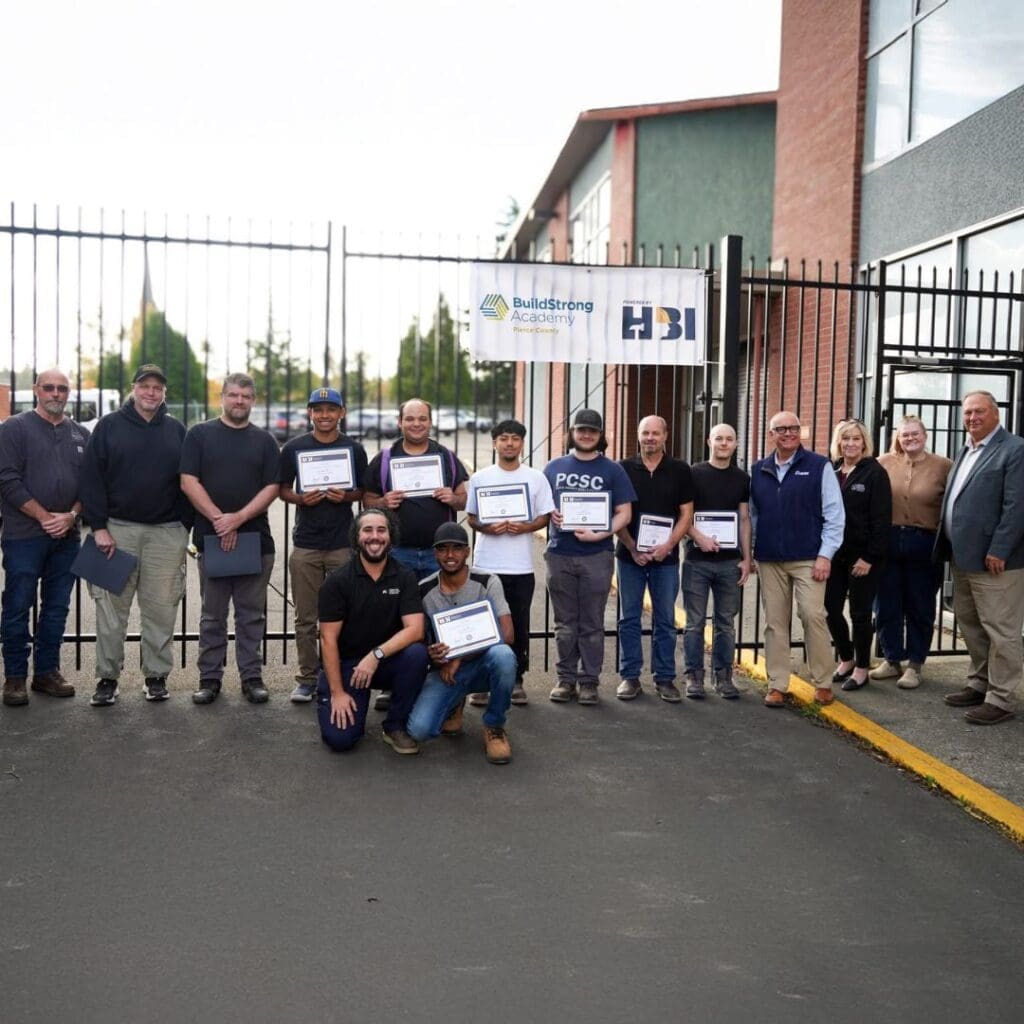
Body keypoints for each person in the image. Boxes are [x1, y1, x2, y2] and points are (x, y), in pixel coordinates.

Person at [79, 364, 191, 707]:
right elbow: (91, 479)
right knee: (110, 609)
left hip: (166, 534)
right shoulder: (108, 427)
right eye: (145, 387)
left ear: (164, 393)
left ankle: (156, 676)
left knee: (161, 608)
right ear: (134, 388)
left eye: (158, 388)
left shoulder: (177, 430)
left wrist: (183, 528)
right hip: (115, 531)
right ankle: (107, 678)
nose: (151, 393)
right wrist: (98, 527)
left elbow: (189, 480)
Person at [180, 373, 280, 705]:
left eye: (246, 396)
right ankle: (209, 678)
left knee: (251, 615)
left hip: (256, 541)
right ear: (222, 397)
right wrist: (219, 520)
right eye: (233, 395)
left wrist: (237, 519)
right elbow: (188, 481)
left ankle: (251, 678)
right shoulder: (199, 435)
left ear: (254, 400)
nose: (239, 401)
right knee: (212, 615)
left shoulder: (265, 441)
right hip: (212, 539)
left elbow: (272, 488)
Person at [362, 397, 467, 711]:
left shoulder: (446, 458)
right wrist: (384, 502)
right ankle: (393, 681)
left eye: (422, 419)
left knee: (441, 618)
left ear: (430, 422)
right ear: (399, 422)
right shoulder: (384, 459)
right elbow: (367, 500)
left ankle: (440, 683)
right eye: (410, 419)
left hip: (440, 556)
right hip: (399, 553)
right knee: (394, 619)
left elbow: (464, 498)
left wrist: (453, 497)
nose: (416, 424)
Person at [0, 369, 87, 707]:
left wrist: (73, 515)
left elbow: (89, 486)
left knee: (56, 608)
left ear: (69, 393)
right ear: (36, 390)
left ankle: (46, 672)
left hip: (66, 537)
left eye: (62, 388)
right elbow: (7, 479)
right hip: (24, 537)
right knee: (18, 605)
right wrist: (45, 517)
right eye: (49, 387)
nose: (56, 393)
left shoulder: (80, 434)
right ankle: (15, 678)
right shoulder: (15, 429)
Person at [936, 391, 1024, 726]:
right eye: (968, 412)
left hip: (996, 561)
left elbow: (1017, 506)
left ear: (996, 414)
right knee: (971, 623)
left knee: (1001, 629)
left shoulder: (1014, 449)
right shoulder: (967, 449)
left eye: (979, 411)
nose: (972, 417)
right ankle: (981, 681)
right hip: (962, 556)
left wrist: (1000, 548)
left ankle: (1001, 698)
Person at [750, 411, 845, 707]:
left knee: (812, 616)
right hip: (770, 559)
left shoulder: (819, 466)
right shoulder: (758, 469)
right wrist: (751, 551)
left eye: (793, 428)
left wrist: (825, 555)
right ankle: (777, 684)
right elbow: (752, 516)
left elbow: (835, 514)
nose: (788, 433)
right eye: (781, 429)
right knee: (775, 623)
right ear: (771, 434)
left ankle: (823, 681)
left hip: (809, 558)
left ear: (800, 432)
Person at [279, 386, 367, 703]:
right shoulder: (294, 448)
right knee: (305, 617)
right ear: (310, 413)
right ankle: (306, 677)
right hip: (306, 543)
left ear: (341, 412)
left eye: (331, 409)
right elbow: (282, 490)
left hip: (344, 542)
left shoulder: (354, 449)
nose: (325, 415)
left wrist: (348, 495)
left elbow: (362, 491)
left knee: (350, 613)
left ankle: (345, 673)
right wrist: (301, 498)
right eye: (319, 409)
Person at [316, 508, 428, 754]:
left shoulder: (404, 576)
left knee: (417, 654)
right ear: (357, 537)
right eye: (367, 530)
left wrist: (375, 655)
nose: (374, 537)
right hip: (347, 665)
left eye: (381, 530)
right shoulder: (337, 581)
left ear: (391, 536)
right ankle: (333, 694)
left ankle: (395, 725)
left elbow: (415, 629)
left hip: (384, 661)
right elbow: (328, 639)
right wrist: (337, 693)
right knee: (340, 740)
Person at [543, 408, 636, 705]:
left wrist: (601, 533)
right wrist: (551, 514)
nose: (586, 435)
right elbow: (539, 506)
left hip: (596, 554)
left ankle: (589, 681)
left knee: (592, 622)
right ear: (572, 433)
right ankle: (565, 678)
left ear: (600, 435)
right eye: (581, 430)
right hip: (560, 554)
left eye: (592, 431)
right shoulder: (554, 467)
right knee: (565, 622)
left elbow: (625, 512)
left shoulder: (612, 470)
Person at [407, 523, 517, 763]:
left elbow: (507, 634)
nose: (449, 555)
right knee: (419, 730)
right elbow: (418, 638)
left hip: (481, 664)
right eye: (443, 549)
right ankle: (455, 702)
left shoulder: (487, 581)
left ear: (467, 551)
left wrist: (459, 657)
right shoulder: (424, 589)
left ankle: (494, 725)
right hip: (446, 671)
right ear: (434, 553)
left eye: (457, 549)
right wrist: (432, 653)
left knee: (504, 656)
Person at [465, 419, 554, 706]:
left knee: (518, 622)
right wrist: (487, 528)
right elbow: (472, 517)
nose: (509, 443)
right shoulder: (481, 477)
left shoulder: (535, 478)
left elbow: (545, 515)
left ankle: (516, 679)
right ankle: (482, 682)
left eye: (515, 439)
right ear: (494, 443)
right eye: (504, 438)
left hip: (520, 566)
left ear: (522, 443)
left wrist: (526, 527)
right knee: (484, 624)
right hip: (486, 564)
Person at [614, 415, 694, 702]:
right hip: (629, 556)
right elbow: (616, 512)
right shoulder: (623, 468)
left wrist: (669, 545)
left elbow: (687, 514)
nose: (650, 438)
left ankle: (664, 678)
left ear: (665, 435)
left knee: (665, 619)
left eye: (655, 433)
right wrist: (632, 546)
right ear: (638, 435)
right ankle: (630, 677)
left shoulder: (680, 470)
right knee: (629, 618)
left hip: (666, 559)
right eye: (645, 432)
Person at [872, 416, 952, 690]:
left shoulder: (943, 466)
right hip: (889, 541)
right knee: (886, 604)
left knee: (920, 605)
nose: (910, 439)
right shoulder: (883, 463)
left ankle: (915, 664)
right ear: (898, 437)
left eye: (915, 434)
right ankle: (892, 659)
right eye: (905, 435)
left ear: (925, 435)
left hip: (924, 542)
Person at [682, 423, 752, 699]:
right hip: (697, 560)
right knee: (694, 622)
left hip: (729, 562)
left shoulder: (741, 478)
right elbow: (683, 515)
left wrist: (747, 559)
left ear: (735, 444)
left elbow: (744, 519)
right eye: (719, 438)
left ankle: (723, 677)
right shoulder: (693, 474)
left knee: (726, 623)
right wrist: (698, 537)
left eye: (729, 439)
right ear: (709, 441)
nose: (724, 443)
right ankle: (694, 677)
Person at [823, 418, 892, 691]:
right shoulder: (832, 471)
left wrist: (869, 558)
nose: (850, 443)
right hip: (834, 555)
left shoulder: (875, 473)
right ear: (838, 442)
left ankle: (862, 667)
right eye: (845, 438)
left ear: (864, 442)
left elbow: (881, 520)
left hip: (863, 557)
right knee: (829, 609)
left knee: (860, 614)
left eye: (856, 438)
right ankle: (847, 658)